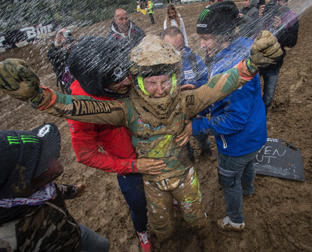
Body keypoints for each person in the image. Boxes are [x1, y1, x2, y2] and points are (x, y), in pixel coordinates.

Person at [0, 32, 282, 249]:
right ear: (138, 81)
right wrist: (42, 97)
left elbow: (219, 85)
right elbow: (82, 108)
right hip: (151, 181)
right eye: (151, 83)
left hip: (184, 175)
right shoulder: (126, 108)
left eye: (165, 81)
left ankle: (206, 240)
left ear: (174, 77)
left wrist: (251, 64)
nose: (158, 90)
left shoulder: (184, 101)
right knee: (162, 227)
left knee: (198, 219)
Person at [66, 36, 167, 252]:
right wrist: (132, 166)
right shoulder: (81, 108)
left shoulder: (125, 69)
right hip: (129, 165)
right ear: (98, 85)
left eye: (126, 74)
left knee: (168, 187)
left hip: (156, 146)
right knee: (138, 203)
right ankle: (142, 231)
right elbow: (85, 154)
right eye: (117, 80)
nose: (127, 82)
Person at [183, 1, 268, 231]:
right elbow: (218, 88)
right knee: (249, 164)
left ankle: (235, 220)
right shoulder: (245, 46)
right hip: (256, 133)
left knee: (229, 182)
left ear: (224, 35)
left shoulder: (229, 66)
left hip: (236, 143)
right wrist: (200, 89)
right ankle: (248, 189)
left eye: (207, 38)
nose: (202, 44)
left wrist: (195, 126)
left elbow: (234, 120)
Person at [0, 123, 109, 252]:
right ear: (16, 186)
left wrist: (73, 191)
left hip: (70, 229)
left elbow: (52, 189)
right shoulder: (7, 241)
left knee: (102, 245)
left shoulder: (37, 188)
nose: (57, 165)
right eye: (41, 164)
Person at [162, 26, 211, 162]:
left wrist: (194, 86)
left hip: (194, 111)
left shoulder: (193, 60)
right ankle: (189, 158)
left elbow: (206, 81)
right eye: (172, 50)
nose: (178, 54)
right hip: (173, 114)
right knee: (182, 141)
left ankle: (206, 151)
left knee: (201, 135)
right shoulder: (158, 66)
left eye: (180, 48)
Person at [258, 0, 298, 113]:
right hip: (257, 62)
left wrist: (280, 28)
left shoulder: (291, 17)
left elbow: (292, 42)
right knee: (251, 94)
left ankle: (263, 117)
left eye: (281, 1)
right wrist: (259, 18)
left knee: (268, 98)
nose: (278, 4)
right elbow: (253, 34)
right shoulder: (266, 12)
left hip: (274, 64)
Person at [47, 27, 75, 94]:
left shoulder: (73, 44)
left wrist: (70, 49)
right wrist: (58, 42)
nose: (63, 35)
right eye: (61, 34)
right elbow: (51, 55)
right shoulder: (54, 50)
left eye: (64, 33)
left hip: (77, 75)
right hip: (67, 78)